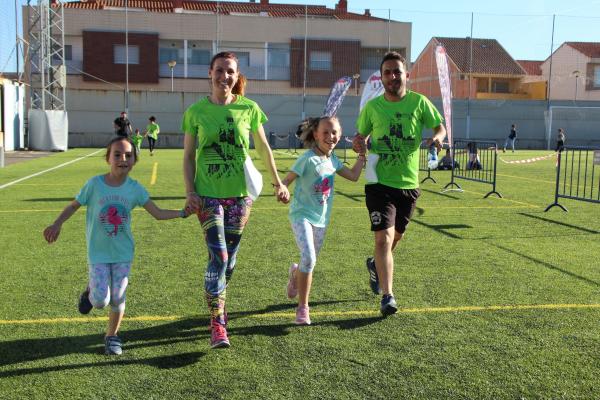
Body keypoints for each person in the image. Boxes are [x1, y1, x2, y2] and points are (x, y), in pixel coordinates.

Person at [181, 51, 290, 349]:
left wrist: (278, 183)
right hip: (207, 196)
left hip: (241, 198)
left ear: (236, 75)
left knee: (229, 263)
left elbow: (264, 148)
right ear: (209, 73)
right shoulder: (195, 113)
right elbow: (189, 157)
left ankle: (219, 299)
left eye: (229, 71)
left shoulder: (250, 109)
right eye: (219, 70)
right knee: (219, 257)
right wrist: (190, 192)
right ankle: (218, 323)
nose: (224, 76)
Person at [43, 137, 189, 356]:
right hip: (98, 253)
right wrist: (57, 223)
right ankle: (91, 291)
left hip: (123, 253)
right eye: (118, 155)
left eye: (128, 155)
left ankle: (111, 336)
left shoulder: (135, 189)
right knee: (101, 300)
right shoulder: (94, 185)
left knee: (118, 296)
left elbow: (157, 213)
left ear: (134, 160)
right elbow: (73, 206)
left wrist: (183, 213)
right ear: (108, 158)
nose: (123, 159)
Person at [352, 51, 446, 316]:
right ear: (381, 78)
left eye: (396, 71)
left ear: (406, 75)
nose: (392, 76)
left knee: (395, 238)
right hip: (379, 183)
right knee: (382, 239)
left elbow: (440, 127)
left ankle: (375, 265)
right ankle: (388, 296)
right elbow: (360, 136)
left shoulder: (419, 103)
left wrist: (438, 138)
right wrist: (359, 142)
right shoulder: (373, 107)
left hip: (408, 184)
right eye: (387, 72)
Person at [283, 116, 365, 325]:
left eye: (334, 132)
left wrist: (362, 155)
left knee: (308, 262)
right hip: (301, 215)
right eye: (326, 132)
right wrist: (282, 190)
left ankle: (295, 275)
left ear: (340, 135)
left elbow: (354, 176)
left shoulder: (333, 160)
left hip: (322, 219)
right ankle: (303, 309)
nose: (330, 136)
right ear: (316, 135)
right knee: (309, 258)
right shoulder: (307, 158)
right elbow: (287, 180)